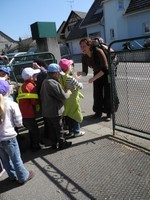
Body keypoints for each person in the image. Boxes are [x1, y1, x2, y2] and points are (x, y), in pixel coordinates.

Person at [0, 79, 34, 184]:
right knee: (16, 158)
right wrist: (18, 125)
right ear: (7, 90)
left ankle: (12, 175)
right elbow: (19, 121)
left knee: (5, 160)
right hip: (9, 137)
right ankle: (23, 176)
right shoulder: (11, 104)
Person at [77, 37, 112, 121]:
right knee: (97, 94)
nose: (82, 48)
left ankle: (109, 114)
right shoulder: (84, 57)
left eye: (84, 46)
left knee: (108, 94)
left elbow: (105, 69)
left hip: (107, 73)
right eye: (81, 46)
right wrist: (79, 73)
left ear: (89, 46)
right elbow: (85, 72)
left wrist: (93, 78)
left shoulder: (98, 52)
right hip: (96, 73)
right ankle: (98, 112)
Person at [40, 63, 72, 150]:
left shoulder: (45, 81)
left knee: (52, 129)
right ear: (56, 73)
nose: (59, 76)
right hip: (54, 111)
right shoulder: (52, 83)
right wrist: (68, 92)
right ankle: (62, 144)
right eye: (58, 74)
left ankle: (54, 143)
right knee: (59, 128)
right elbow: (63, 96)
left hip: (47, 110)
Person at [16, 67, 43, 152]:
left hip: (24, 112)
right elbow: (34, 101)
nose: (36, 76)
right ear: (31, 77)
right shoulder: (30, 86)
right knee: (35, 130)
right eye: (35, 74)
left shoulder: (23, 85)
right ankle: (36, 146)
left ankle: (33, 144)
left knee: (31, 129)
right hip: (29, 113)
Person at [59, 58, 85, 138]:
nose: (71, 66)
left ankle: (70, 132)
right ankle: (77, 131)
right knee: (76, 114)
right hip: (72, 99)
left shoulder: (60, 77)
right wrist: (77, 80)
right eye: (70, 65)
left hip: (65, 99)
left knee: (69, 115)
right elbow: (80, 86)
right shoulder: (70, 78)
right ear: (68, 68)